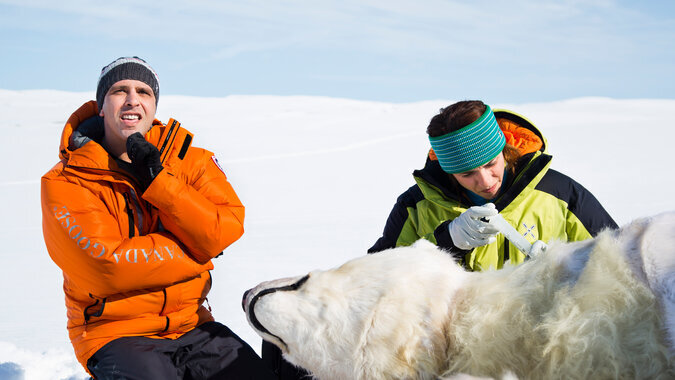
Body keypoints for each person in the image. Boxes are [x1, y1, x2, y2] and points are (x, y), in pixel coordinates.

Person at [41, 57, 275, 379]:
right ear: (101, 106)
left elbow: (225, 228)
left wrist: (158, 182)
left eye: (143, 92)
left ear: (154, 106)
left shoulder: (188, 160)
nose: (132, 99)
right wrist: (197, 249)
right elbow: (106, 268)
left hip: (193, 324)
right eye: (119, 90)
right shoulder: (67, 181)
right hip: (115, 333)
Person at [368, 100, 618, 270]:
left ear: (505, 150)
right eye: (467, 174)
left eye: (491, 164)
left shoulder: (559, 193)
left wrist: (564, 267)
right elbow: (376, 279)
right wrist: (446, 242)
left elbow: (619, 259)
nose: (485, 182)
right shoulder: (415, 206)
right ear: (448, 171)